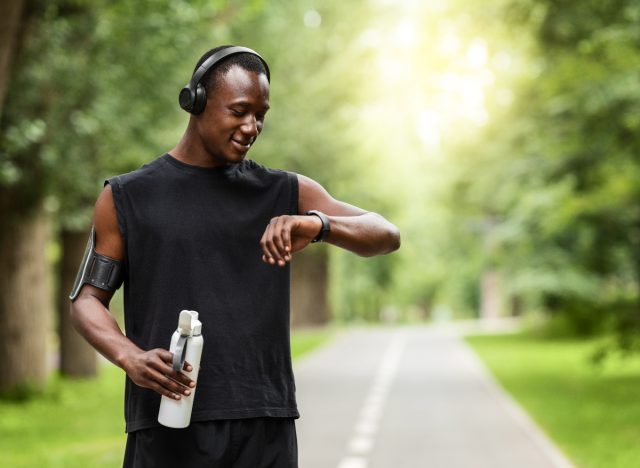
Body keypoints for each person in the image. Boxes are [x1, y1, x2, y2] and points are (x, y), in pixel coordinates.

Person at [70, 45, 400, 468]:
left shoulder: (285, 192)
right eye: (239, 111)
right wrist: (128, 356)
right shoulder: (126, 198)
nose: (252, 127)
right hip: (166, 423)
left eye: (260, 115)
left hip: (265, 425)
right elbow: (86, 299)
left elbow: (385, 233)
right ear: (196, 101)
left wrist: (319, 224)